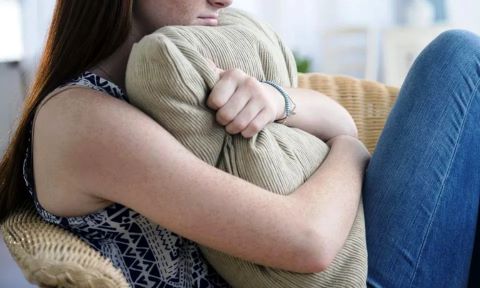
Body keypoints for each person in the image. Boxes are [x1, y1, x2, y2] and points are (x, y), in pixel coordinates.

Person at [0, 0, 478, 287]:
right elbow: (307, 242)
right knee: (458, 58)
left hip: (347, 261)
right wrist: (349, 152)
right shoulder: (80, 119)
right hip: (342, 276)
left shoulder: (173, 80)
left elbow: (337, 117)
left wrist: (277, 99)